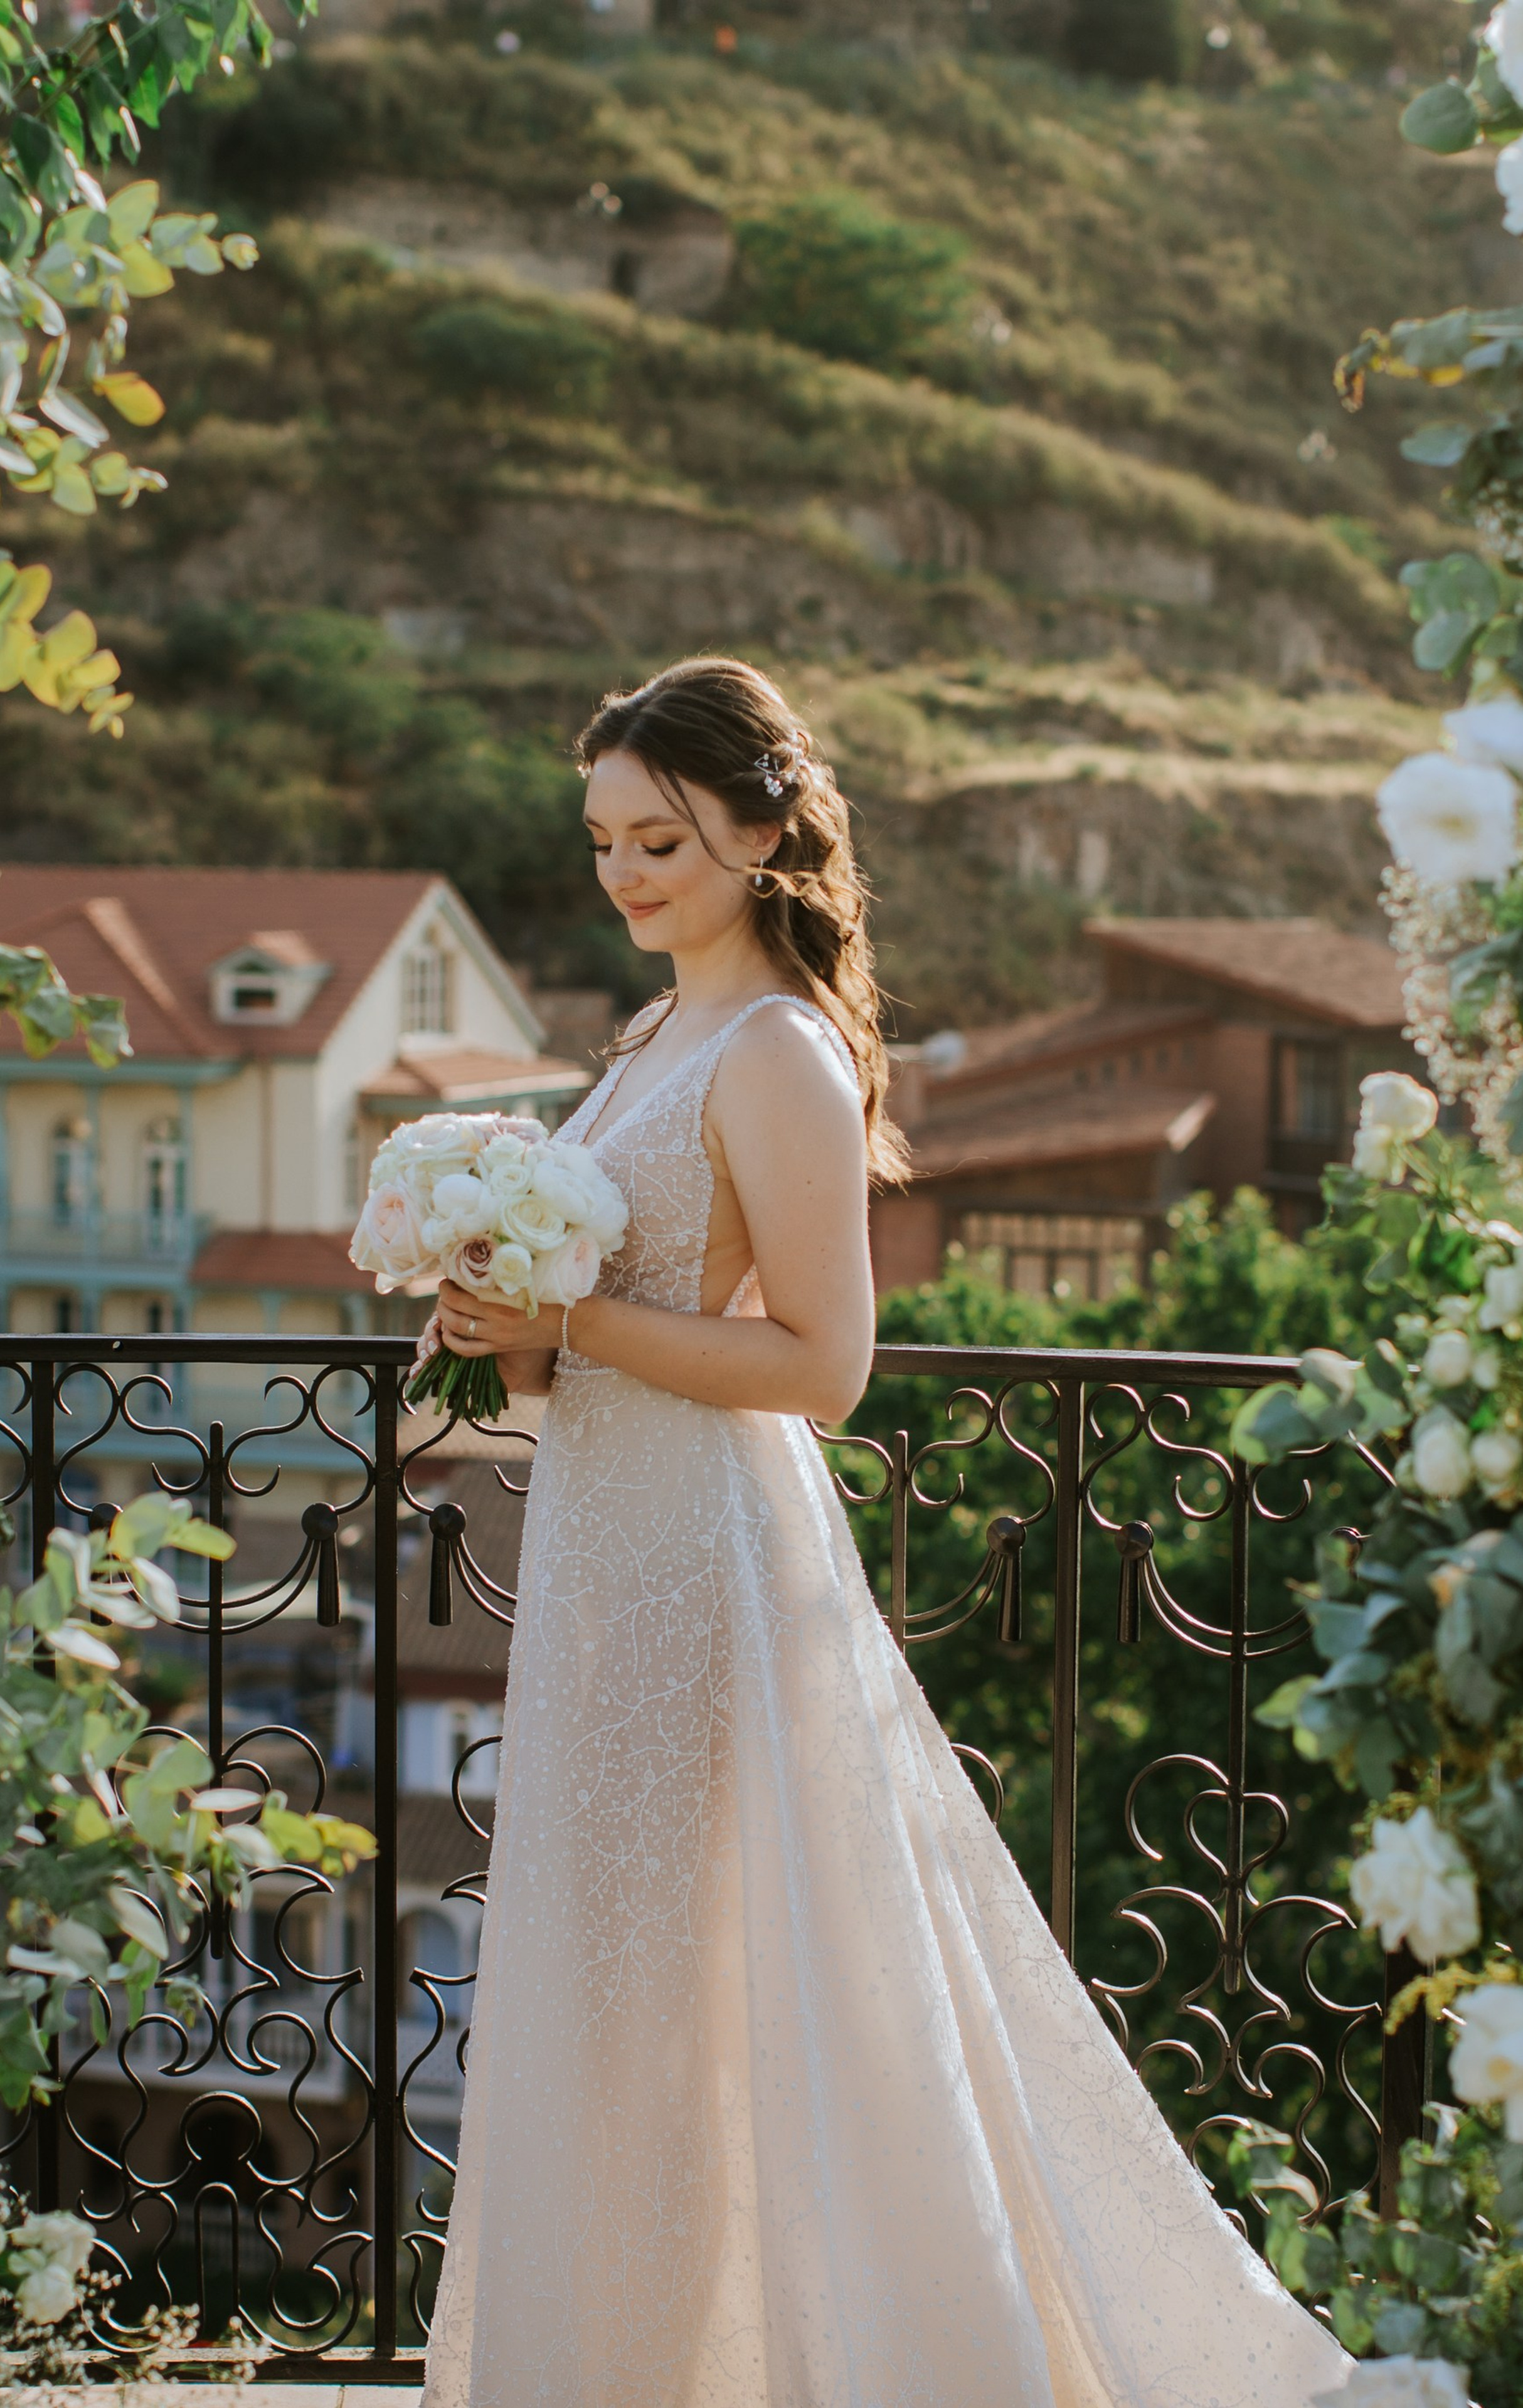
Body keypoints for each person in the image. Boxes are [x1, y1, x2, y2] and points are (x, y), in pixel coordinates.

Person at [418, 658, 1347, 2407]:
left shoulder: (771, 1050)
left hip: (704, 1551)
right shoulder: (645, 1035)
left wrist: (570, 1329)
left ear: (766, 834)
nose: (625, 876)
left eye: (664, 843)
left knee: (695, 1995)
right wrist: (493, 1309)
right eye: (606, 841)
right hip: (608, 1536)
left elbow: (823, 1366)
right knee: (616, 2003)